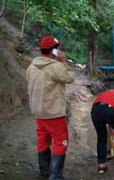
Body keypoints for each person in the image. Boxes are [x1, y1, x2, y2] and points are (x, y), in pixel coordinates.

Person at [26, 36, 75, 180]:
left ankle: (44, 171)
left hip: (38, 112)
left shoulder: (32, 66)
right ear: (54, 51)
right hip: (54, 113)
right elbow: (70, 78)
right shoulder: (56, 66)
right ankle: (55, 176)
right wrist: (63, 62)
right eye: (58, 48)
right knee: (61, 142)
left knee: (43, 139)